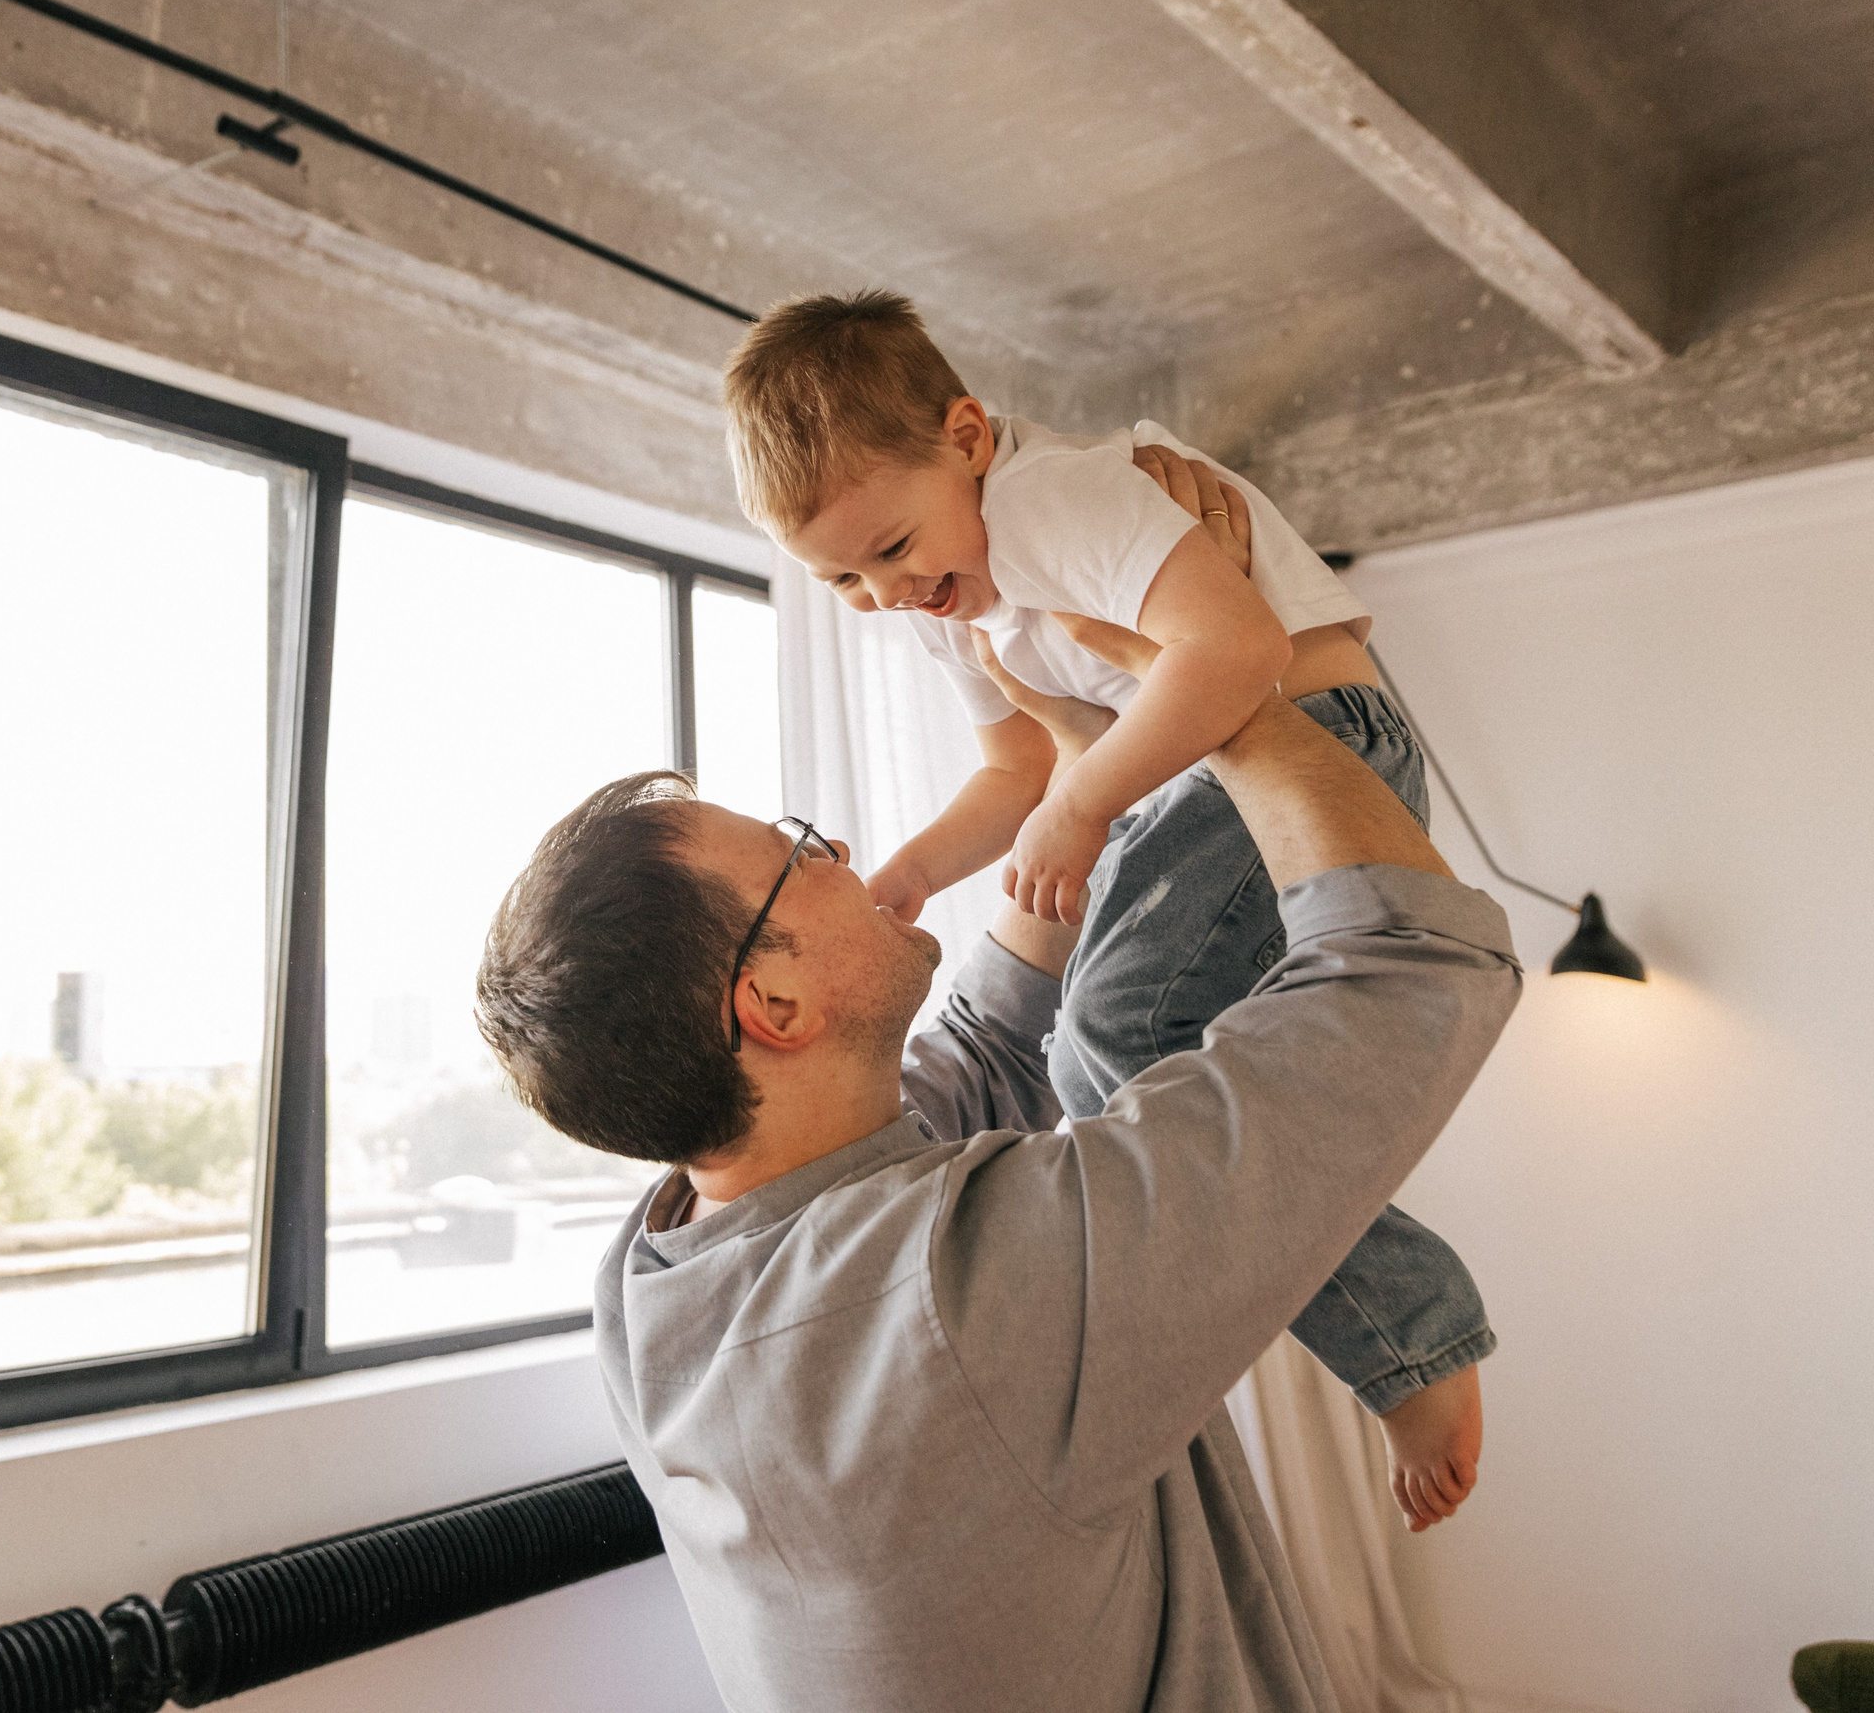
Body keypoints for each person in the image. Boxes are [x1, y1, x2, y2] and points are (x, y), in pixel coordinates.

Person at [472, 546, 1523, 1710]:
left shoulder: (655, 1280)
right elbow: (1413, 967)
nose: (837, 854)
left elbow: (976, 1051)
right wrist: (1224, 698)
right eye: (796, 855)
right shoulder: (971, 1304)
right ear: (771, 1005)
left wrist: (1090, 765)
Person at [717, 291, 1491, 1524]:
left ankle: (1413, 1336)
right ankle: (1393, 1327)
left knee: (1112, 1046)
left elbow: (1234, 655)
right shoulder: (951, 587)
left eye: (891, 546)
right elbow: (1018, 771)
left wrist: (1085, 812)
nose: (887, 589)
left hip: (1313, 738)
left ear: (968, 436)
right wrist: (916, 868)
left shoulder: (1048, 503)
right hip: (1187, 786)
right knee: (1133, 1073)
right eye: (843, 578)